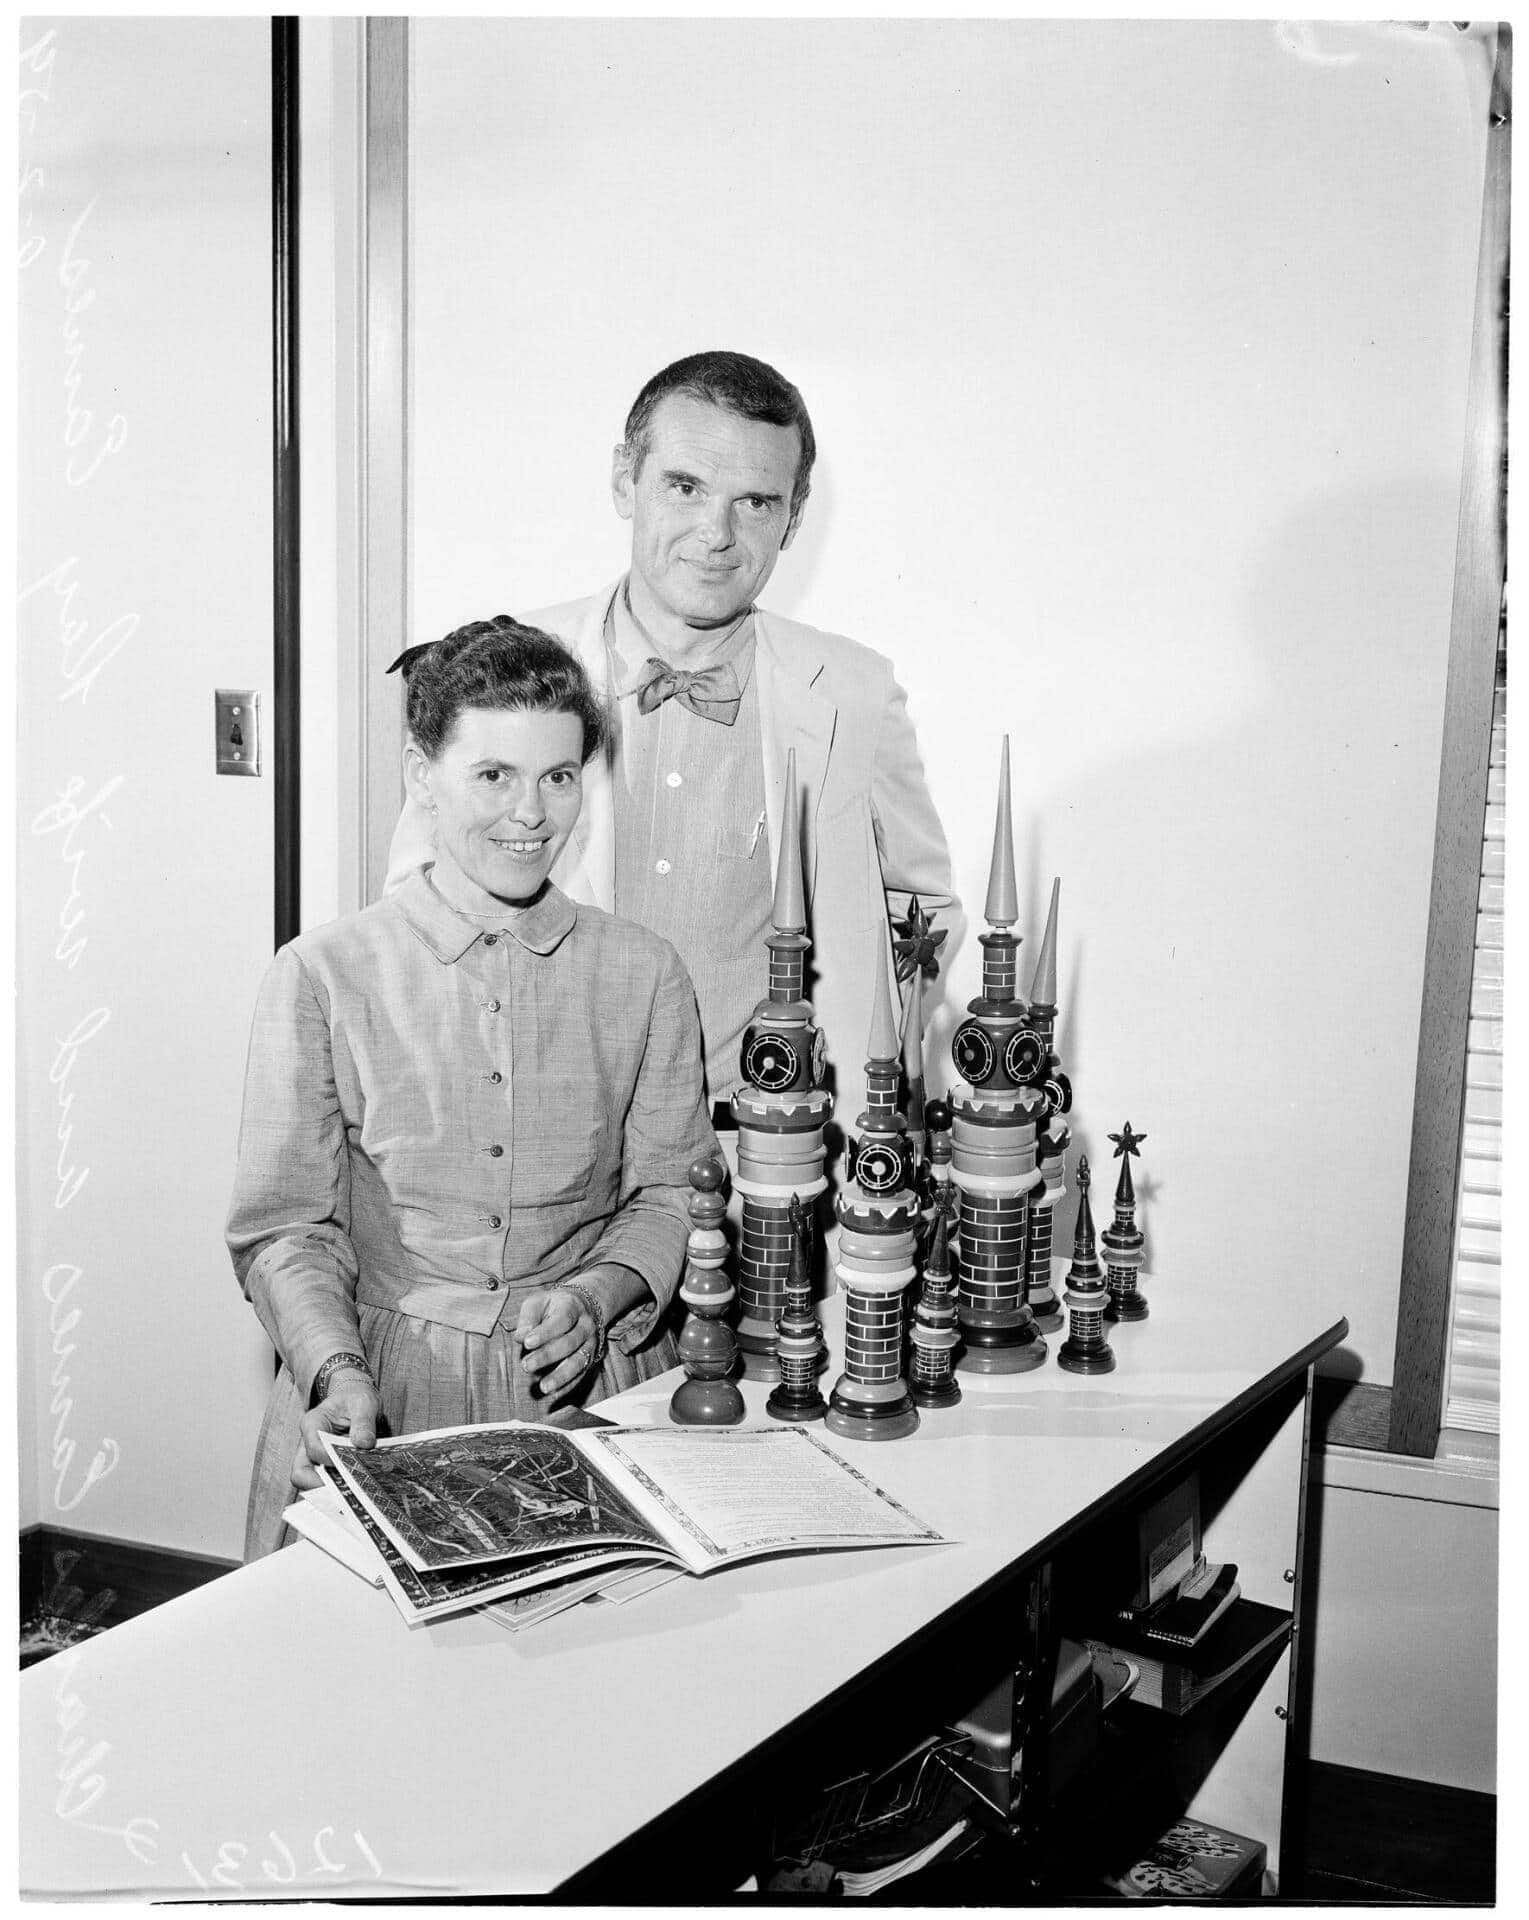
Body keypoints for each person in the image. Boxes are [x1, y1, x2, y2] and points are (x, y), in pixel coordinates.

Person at [229, 618, 714, 1559]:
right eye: (493, 774)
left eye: (559, 776)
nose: (531, 814)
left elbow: (670, 1194)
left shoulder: (646, 972)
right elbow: (284, 1227)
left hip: (590, 1391)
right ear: (423, 775)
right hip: (381, 1396)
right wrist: (336, 1372)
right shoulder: (322, 973)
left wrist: (600, 1292)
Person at [386, 351, 963, 1136]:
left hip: (774, 1156)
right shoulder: (512, 665)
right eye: (684, 487)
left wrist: (865, 1079)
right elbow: (415, 903)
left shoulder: (853, 692)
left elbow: (921, 910)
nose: (715, 535)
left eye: (755, 502)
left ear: (792, 518)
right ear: (625, 480)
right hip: (546, 1146)